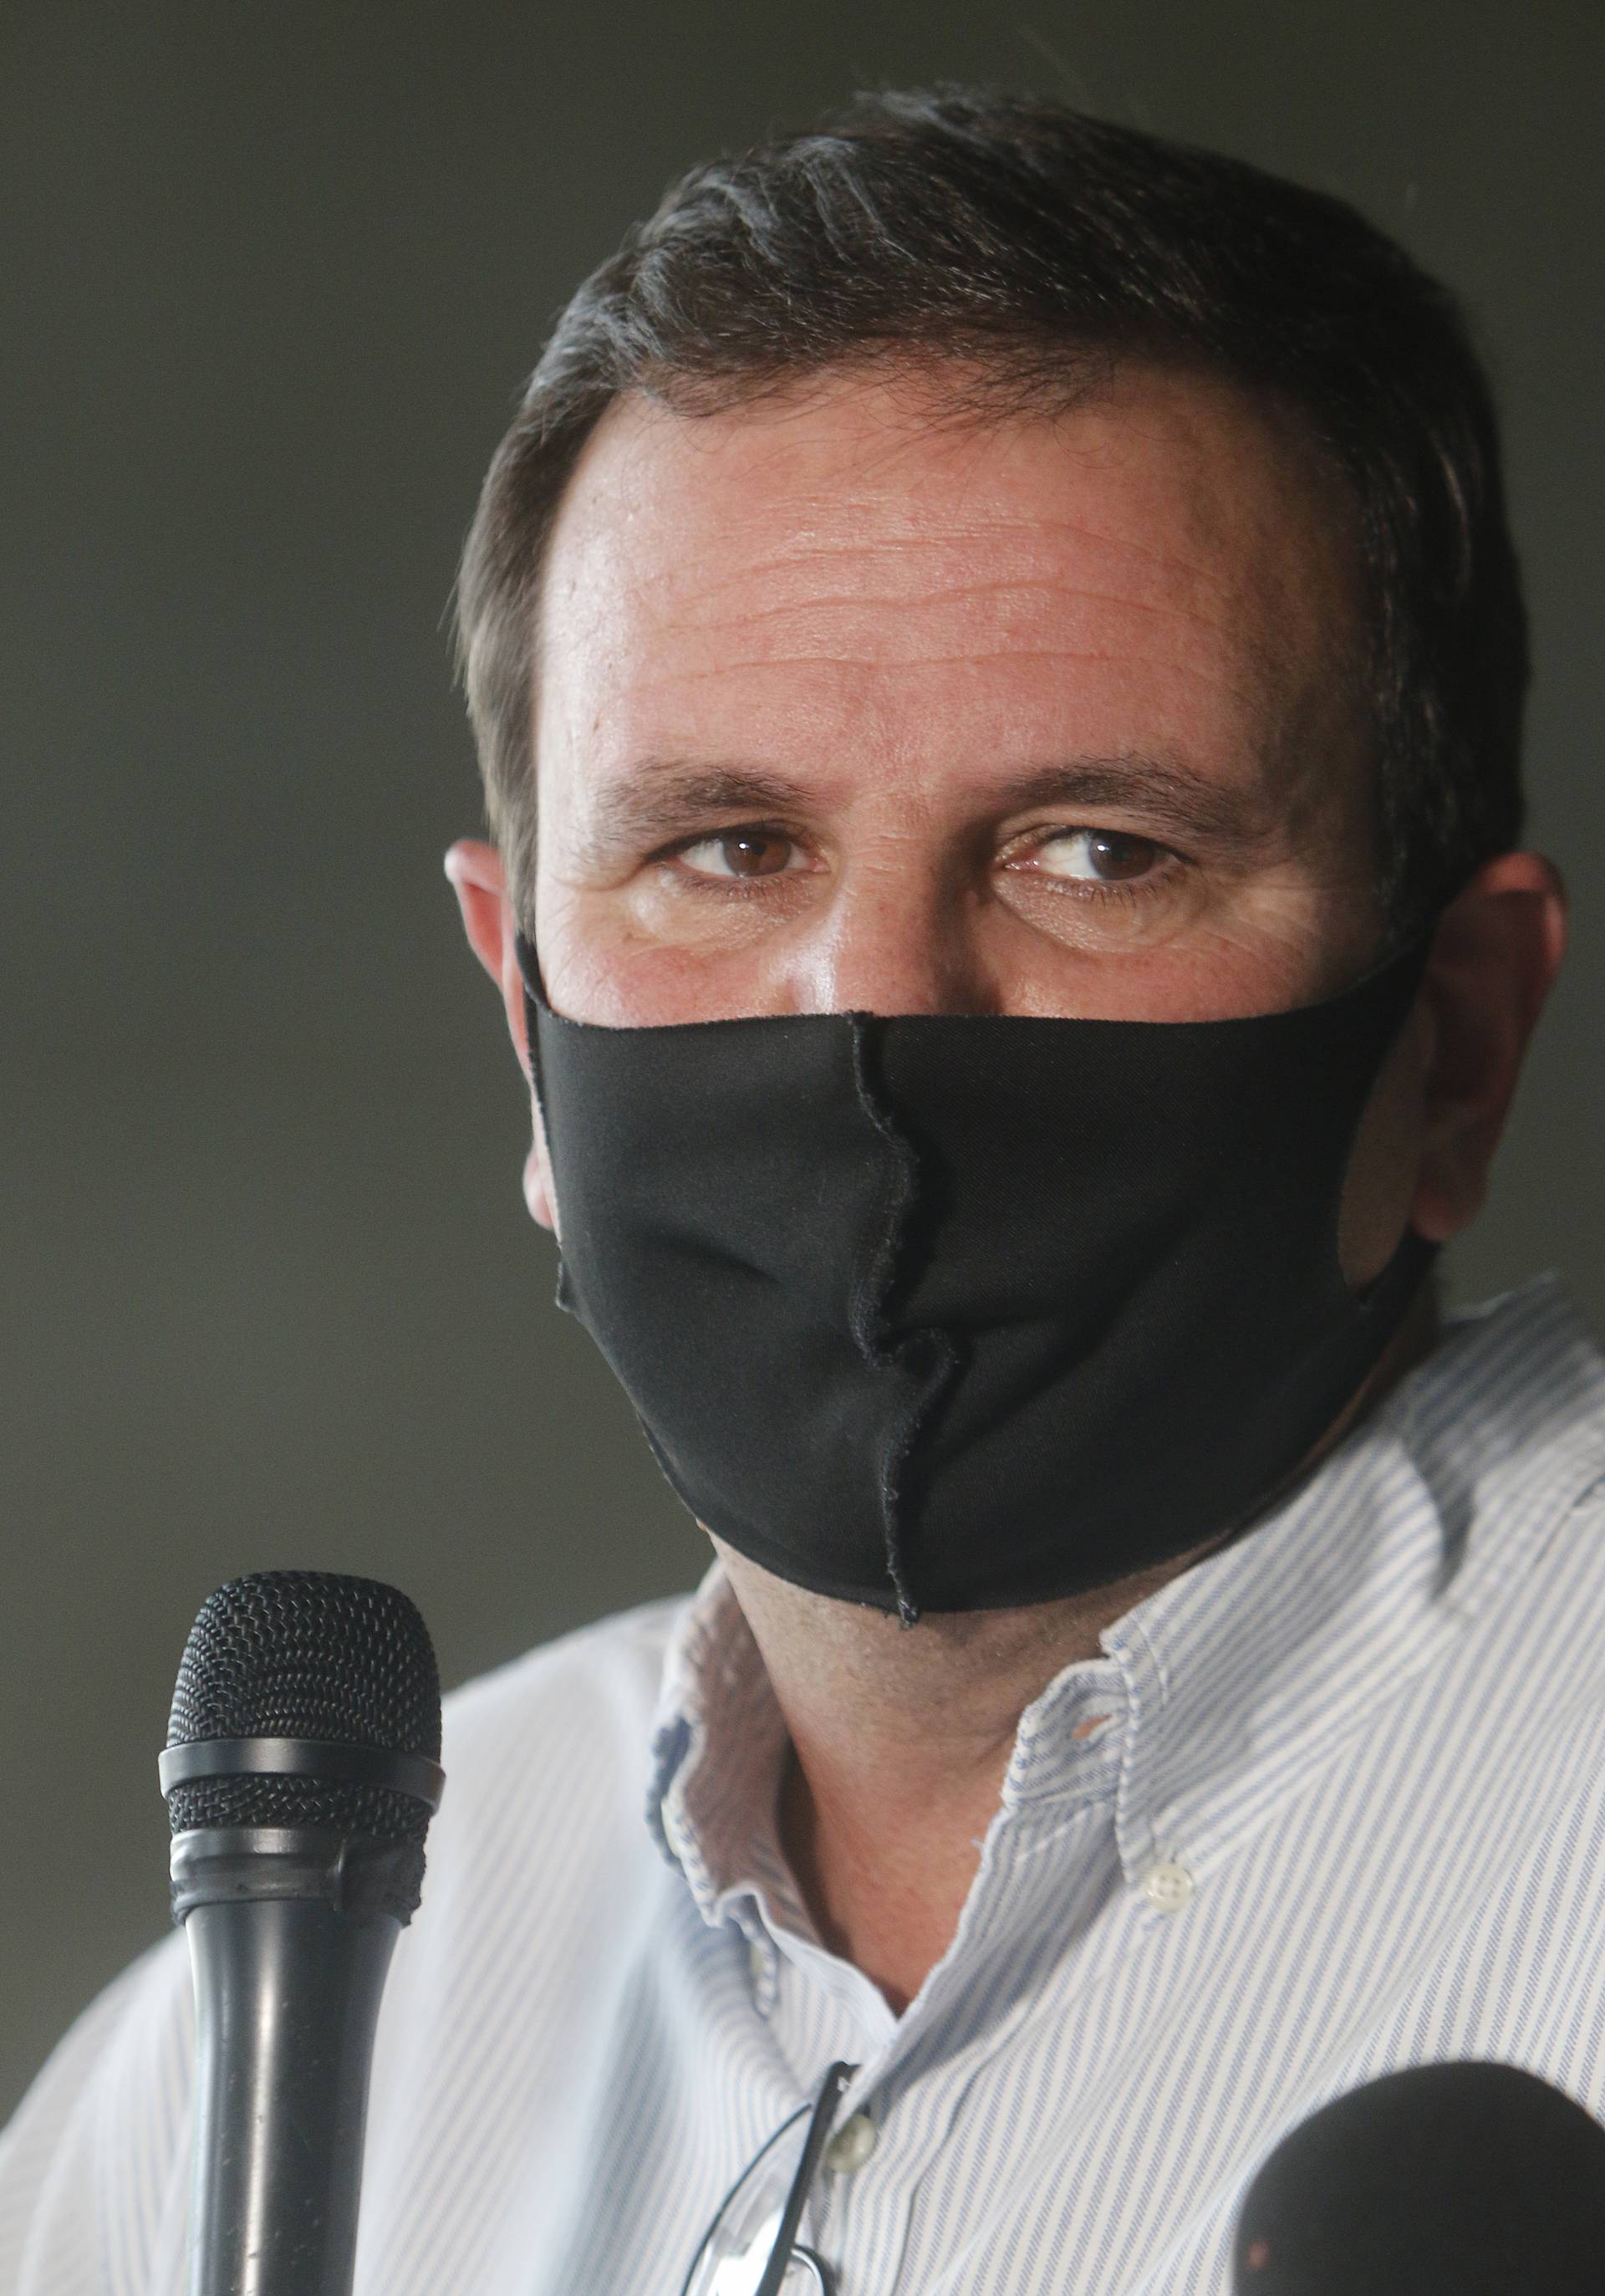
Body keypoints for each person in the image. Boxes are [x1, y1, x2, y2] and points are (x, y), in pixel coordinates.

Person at [2, 85, 1597, 2296]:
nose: (875, 1013)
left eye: (1099, 853)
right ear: (525, 1019)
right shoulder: (233, 2067)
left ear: (1461, 1040)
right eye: (728, 849)